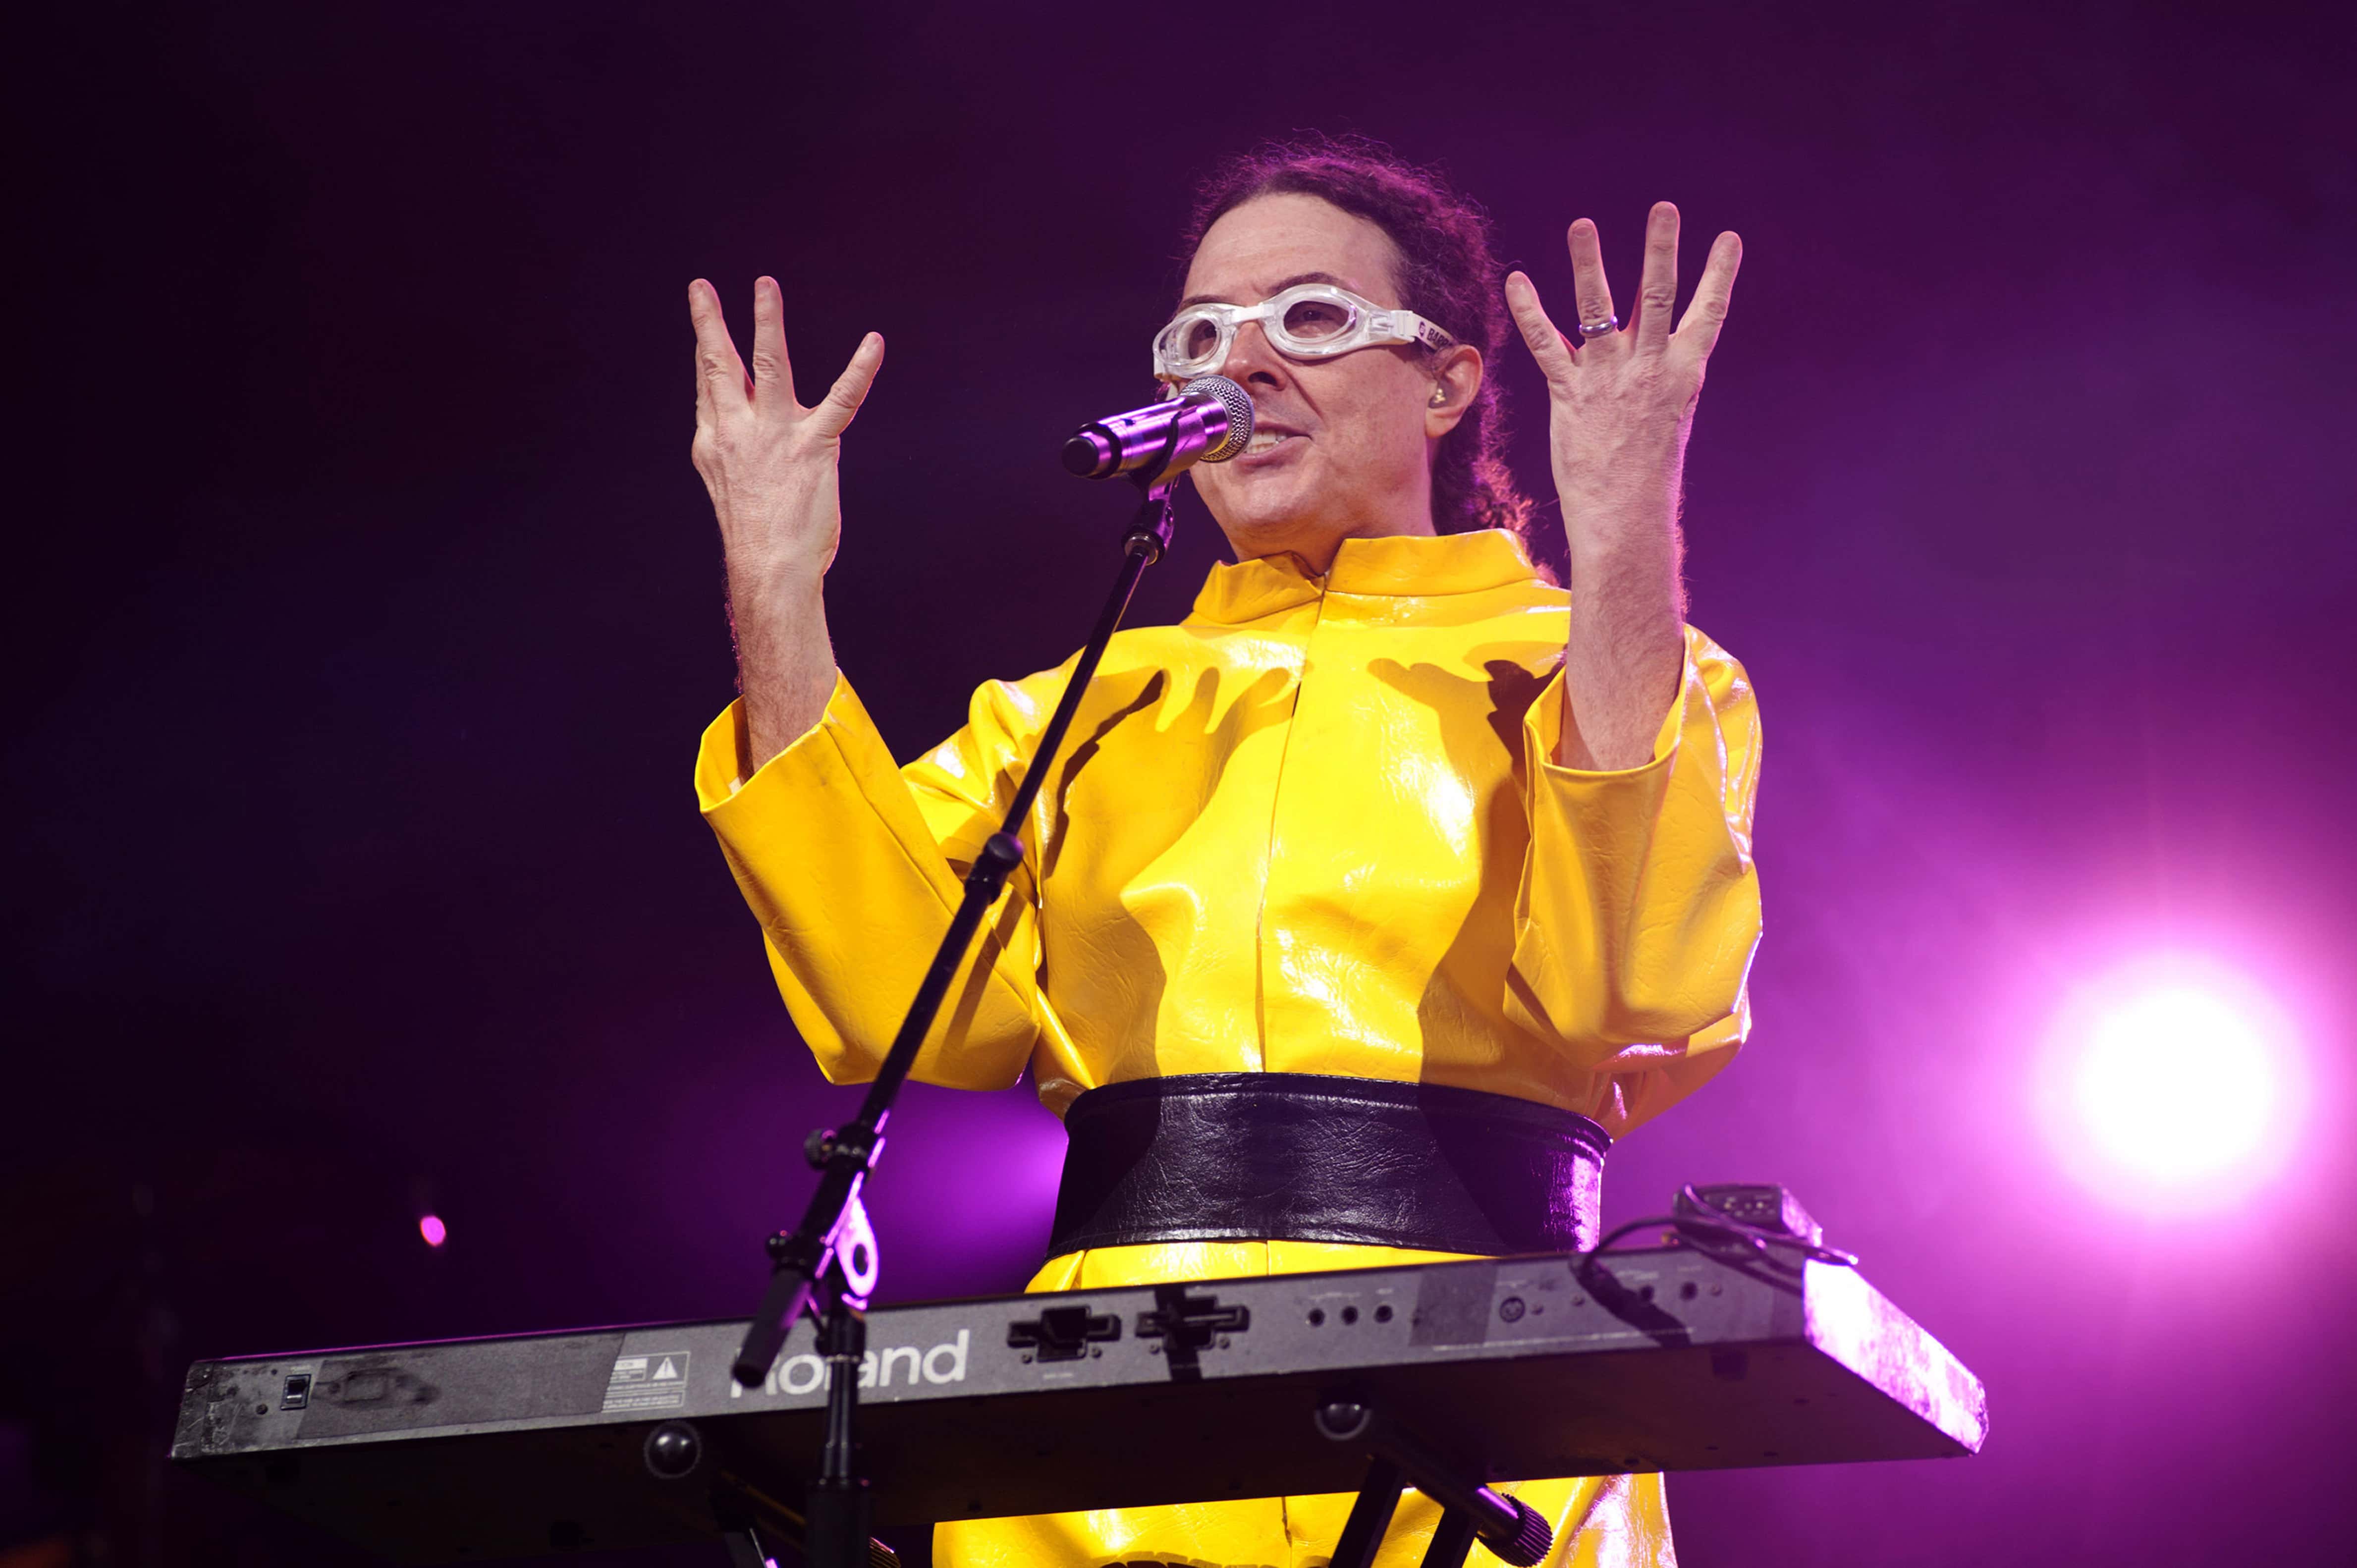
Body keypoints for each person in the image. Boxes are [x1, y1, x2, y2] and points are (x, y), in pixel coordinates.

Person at [686, 139, 1760, 1568]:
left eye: (1308, 320)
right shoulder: (1076, 702)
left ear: (1444, 383)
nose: (1235, 365)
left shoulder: (1593, 675)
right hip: (1090, 1445)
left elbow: (1624, 994)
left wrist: (1624, 530)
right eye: (1198, 336)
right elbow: (904, 1014)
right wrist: (773, 578)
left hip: (1496, 1426)